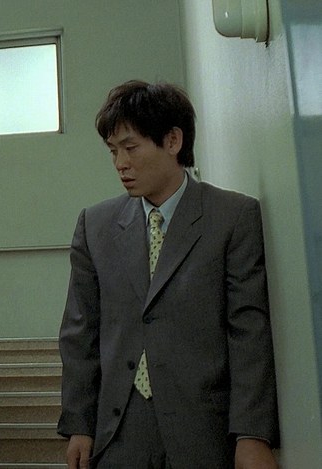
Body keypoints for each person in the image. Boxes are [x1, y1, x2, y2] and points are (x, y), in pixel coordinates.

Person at [57, 80, 280, 469]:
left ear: (173, 141)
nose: (120, 164)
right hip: (118, 433)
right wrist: (80, 425)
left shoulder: (232, 217)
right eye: (113, 151)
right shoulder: (95, 225)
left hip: (204, 433)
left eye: (130, 148)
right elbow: (81, 333)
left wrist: (251, 433)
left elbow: (248, 331)